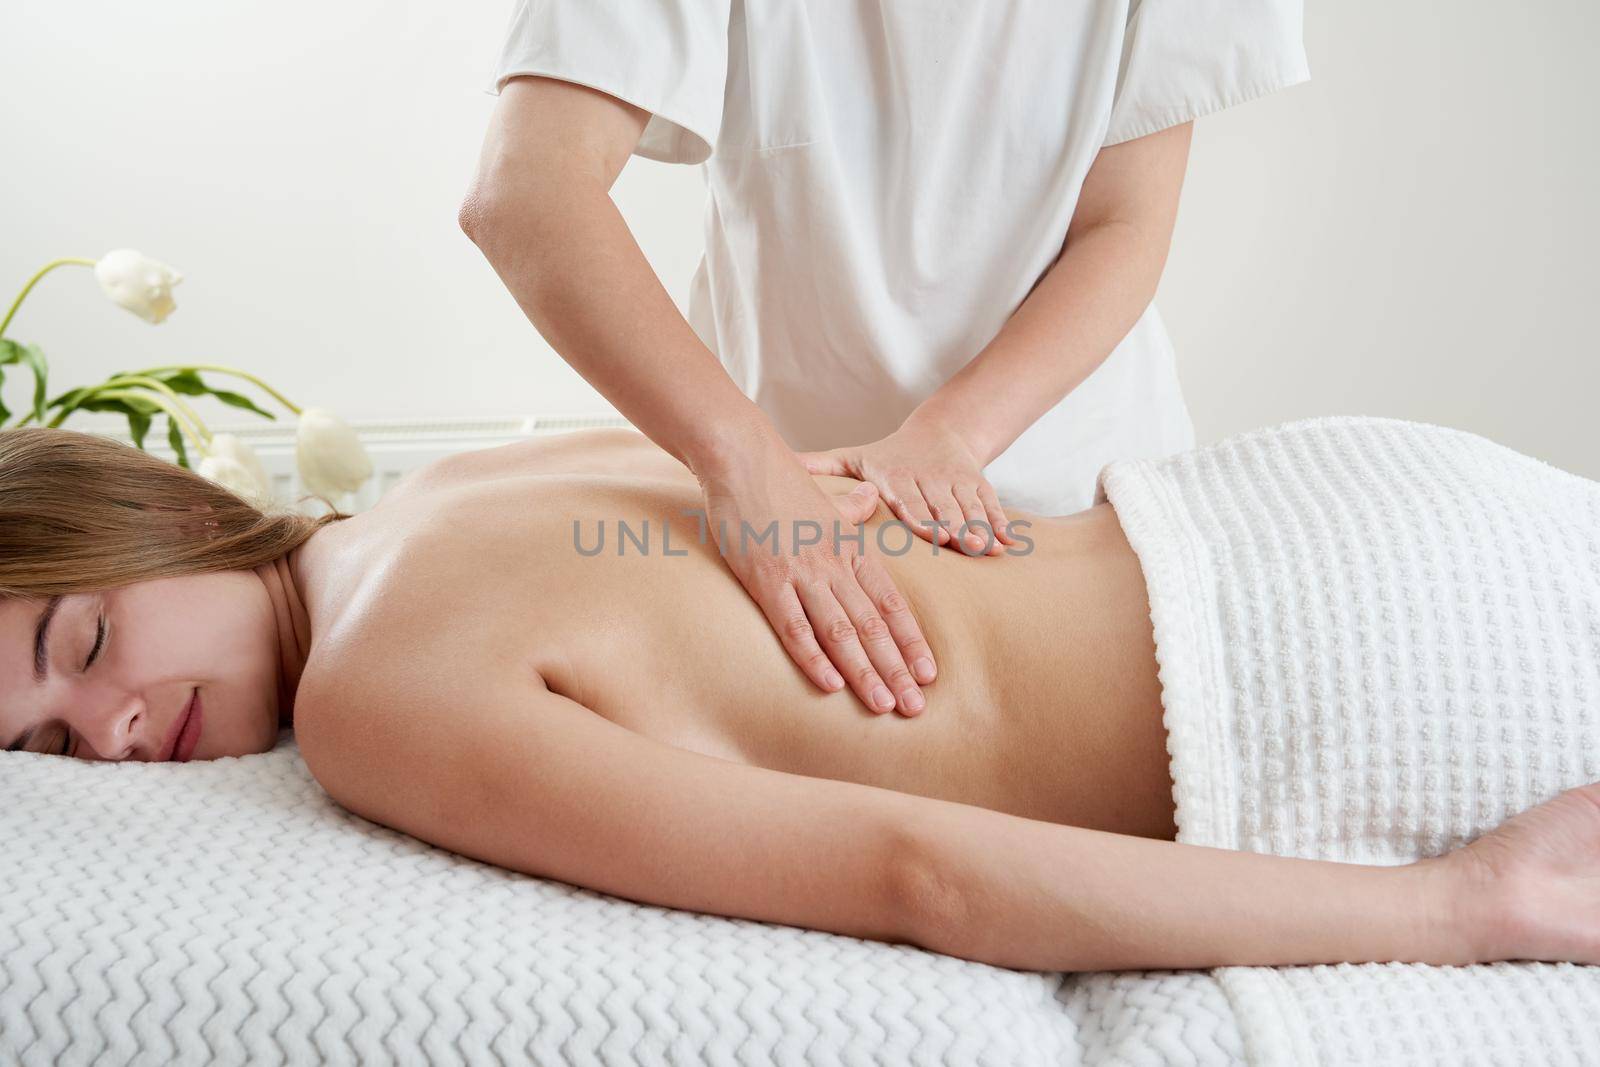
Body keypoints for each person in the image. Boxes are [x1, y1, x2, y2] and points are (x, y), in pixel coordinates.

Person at [3, 415, 1597, 973]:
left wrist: (1458, 908)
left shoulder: (373, 695)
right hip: (1342, 493)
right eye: (48, 748)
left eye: (80, 647)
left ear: (175, 514)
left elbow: (920, 871)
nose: (115, 732)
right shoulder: (468, 480)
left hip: (1334, 669)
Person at [458, 0, 1312, 716]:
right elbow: (528, 187)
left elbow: (1123, 225)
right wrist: (742, 462)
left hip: (1078, 507)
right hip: (778, 520)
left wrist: (953, 433)